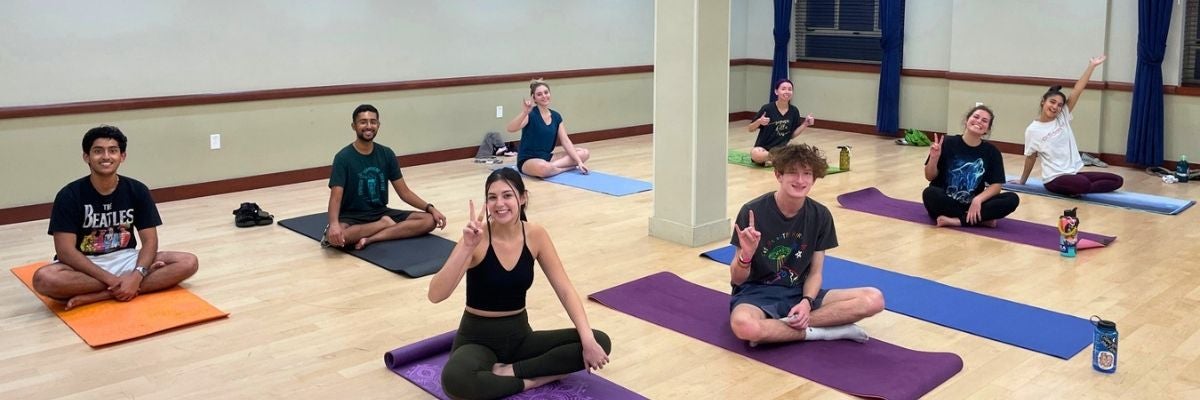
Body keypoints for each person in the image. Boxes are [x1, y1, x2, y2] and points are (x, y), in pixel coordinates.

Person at [428, 168, 611, 400]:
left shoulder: (536, 235)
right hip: (477, 339)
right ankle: (531, 380)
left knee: (599, 341)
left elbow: (564, 290)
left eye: (507, 195)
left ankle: (510, 372)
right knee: (456, 380)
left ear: (522, 198)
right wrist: (466, 247)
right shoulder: (477, 237)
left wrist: (587, 340)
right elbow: (436, 295)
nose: (499, 204)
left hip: (520, 338)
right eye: (492, 197)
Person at [728, 144, 884, 346]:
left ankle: (779, 328)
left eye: (807, 174)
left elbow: (815, 273)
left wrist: (806, 302)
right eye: (792, 173)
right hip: (757, 294)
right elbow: (737, 279)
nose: (800, 180)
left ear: (814, 178)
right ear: (778, 175)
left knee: (874, 299)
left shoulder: (821, 215)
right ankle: (825, 332)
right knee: (744, 326)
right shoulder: (752, 211)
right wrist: (746, 256)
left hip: (800, 292)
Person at [31, 126, 199, 310]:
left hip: (126, 259)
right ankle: (126, 287)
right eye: (98, 151)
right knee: (44, 279)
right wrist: (113, 279)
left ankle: (100, 296)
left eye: (113, 150)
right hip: (84, 265)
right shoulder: (69, 195)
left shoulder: (137, 190)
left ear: (122, 156)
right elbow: (65, 252)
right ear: (86, 157)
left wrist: (137, 274)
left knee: (188, 262)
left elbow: (150, 241)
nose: (106, 157)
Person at [324, 104, 447, 250]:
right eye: (363, 122)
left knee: (429, 221)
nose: (368, 126)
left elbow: (404, 192)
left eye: (373, 122)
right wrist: (333, 225)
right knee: (336, 238)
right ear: (354, 126)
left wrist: (430, 208)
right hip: (352, 216)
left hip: (380, 212)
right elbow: (336, 197)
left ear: (378, 125)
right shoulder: (343, 157)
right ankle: (383, 225)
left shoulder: (386, 154)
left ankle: (371, 239)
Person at [1015, 55, 1123, 196]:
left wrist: (1091, 66)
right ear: (1043, 102)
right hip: (1054, 179)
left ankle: (1079, 187)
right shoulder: (1033, 130)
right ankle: (1079, 186)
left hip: (1073, 173)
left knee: (1117, 180)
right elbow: (1030, 157)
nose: (1055, 107)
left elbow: (1077, 90)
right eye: (1052, 102)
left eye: (1059, 105)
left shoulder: (1062, 116)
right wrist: (1022, 181)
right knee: (1082, 184)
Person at [922, 105, 1020, 227]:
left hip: (973, 204)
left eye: (984, 121)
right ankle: (981, 220)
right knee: (929, 193)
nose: (979, 121)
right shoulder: (947, 142)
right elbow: (929, 176)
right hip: (946, 201)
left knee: (1012, 199)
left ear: (987, 130)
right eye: (976, 117)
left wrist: (977, 200)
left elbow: (996, 186)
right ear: (966, 120)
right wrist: (934, 158)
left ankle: (958, 221)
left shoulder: (992, 152)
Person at [506, 79, 590, 178]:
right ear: (534, 98)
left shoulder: (556, 116)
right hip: (528, 160)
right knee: (543, 168)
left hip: (547, 158)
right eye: (539, 94)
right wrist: (524, 112)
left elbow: (565, 141)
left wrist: (579, 162)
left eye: (546, 92)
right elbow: (510, 129)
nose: (544, 96)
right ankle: (566, 168)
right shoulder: (531, 114)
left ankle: (552, 168)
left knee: (584, 153)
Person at [746, 79, 816, 165]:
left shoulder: (794, 111)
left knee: (800, 151)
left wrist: (805, 124)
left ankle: (776, 160)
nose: (787, 91)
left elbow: (791, 135)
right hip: (764, 149)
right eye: (783, 89)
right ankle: (778, 160)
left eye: (790, 89)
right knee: (755, 153)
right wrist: (759, 121)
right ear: (776, 92)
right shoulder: (767, 108)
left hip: (782, 150)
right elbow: (750, 128)